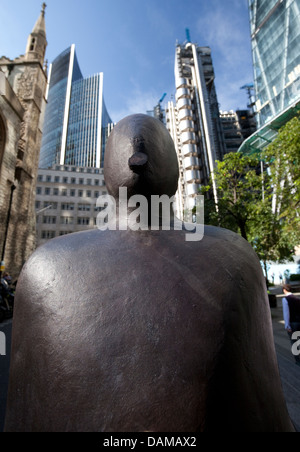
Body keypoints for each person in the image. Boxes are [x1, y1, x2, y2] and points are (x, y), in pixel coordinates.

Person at [282, 284, 300, 366]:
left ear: (284, 290)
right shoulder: (297, 298)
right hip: (299, 322)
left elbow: (286, 314)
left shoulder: (285, 299)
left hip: (292, 324)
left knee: (294, 342)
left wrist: (287, 325)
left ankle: (298, 360)